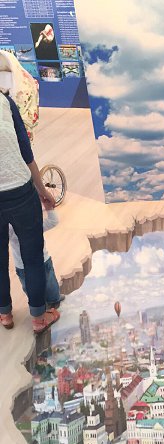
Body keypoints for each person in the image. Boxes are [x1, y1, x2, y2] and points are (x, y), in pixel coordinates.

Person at [0, 90, 60, 332]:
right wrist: (42, 190)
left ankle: (4, 313)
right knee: (33, 257)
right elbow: (25, 150)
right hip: (19, 191)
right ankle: (38, 318)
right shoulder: (4, 101)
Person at [9, 208, 65, 309]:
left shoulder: (10, 228)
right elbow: (53, 221)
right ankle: (53, 300)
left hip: (23, 265)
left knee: (30, 287)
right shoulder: (34, 224)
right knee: (49, 282)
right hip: (40, 260)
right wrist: (49, 208)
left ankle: (39, 305)